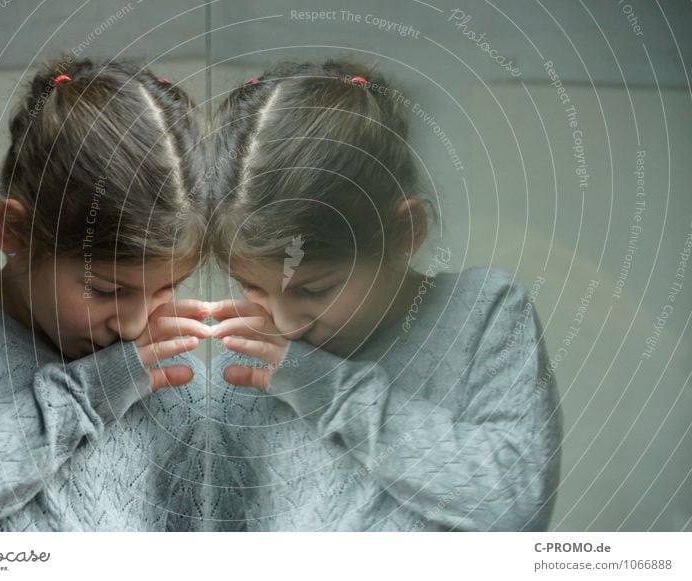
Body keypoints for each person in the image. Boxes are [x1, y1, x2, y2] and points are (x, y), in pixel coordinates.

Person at [205, 60, 563, 531]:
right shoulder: (247, 369)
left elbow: (515, 503)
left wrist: (329, 390)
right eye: (252, 287)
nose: (287, 324)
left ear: (404, 232)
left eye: (315, 289)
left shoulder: (484, 312)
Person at [0, 58, 213, 531]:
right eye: (105, 290)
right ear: (16, 233)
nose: (134, 325)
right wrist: (91, 390)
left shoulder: (171, 378)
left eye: (167, 289)